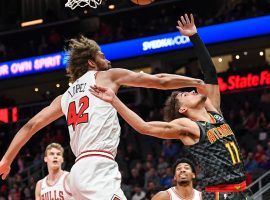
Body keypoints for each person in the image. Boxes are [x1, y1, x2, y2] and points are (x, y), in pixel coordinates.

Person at [0, 34, 203, 199]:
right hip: (97, 167)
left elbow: (30, 126)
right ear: (91, 62)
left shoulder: (63, 97)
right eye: (102, 56)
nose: (108, 60)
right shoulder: (107, 76)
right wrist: (195, 81)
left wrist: (6, 160)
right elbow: (159, 80)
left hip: (79, 170)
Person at [89, 14, 253, 200]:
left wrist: (194, 37)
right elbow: (145, 127)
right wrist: (114, 100)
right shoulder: (188, 127)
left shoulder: (215, 113)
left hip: (243, 190)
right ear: (183, 110)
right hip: (219, 194)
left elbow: (210, 73)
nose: (191, 91)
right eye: (185, 94)